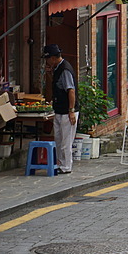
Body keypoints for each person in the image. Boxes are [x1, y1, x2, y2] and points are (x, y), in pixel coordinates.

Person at [43, 44, 78, 175]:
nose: (46, 61)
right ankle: (60, 163)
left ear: (52, 58)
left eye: (47, 59)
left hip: (66, 111)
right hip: (59, 109)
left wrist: (71, 110)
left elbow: (71, 91)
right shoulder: (57, 68)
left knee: (66, 141)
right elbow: (59, 85)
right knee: (58, 139)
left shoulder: (65, 69)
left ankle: (66, 166)